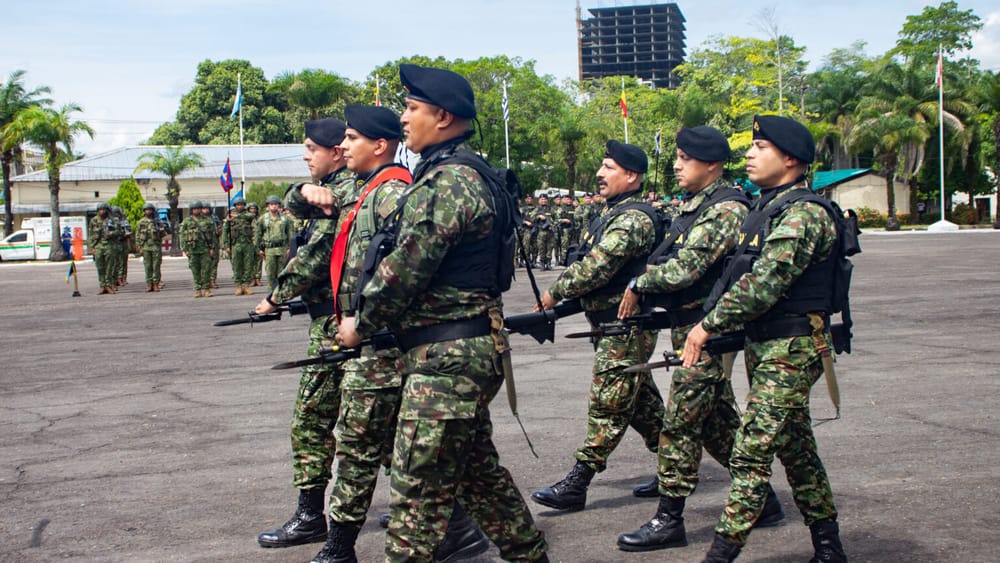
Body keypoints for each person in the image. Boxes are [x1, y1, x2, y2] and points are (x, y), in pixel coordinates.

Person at [335, 63, 549, 563]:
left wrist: (358, 324)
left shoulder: (449, 181)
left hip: (447, 360)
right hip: (456, 352)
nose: (404, 119)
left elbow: (405, 269)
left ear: (444, 117)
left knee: (417, 494)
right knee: (480, 479)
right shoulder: (461, 173)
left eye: (412, 109)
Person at [682, 115, 846, 563]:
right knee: (796, 448)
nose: (749, 155)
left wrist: (706, 326)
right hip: (768, 346)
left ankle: (721, 553)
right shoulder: (770, 208)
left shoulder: (804, 214)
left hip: (792, 348)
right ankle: (829, 548)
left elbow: (763, 285)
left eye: (761, 147)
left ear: (790, 158)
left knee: (750, 453)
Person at [614, 126, 785, 553]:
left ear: (711, 164)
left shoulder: (724, 209)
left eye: (685, 158)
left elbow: (686, 268)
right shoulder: (697, 206)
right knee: (717, 421)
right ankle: (762, 501)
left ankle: (669, 519)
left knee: (680, 423)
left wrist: (639, 282)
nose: (676, 165)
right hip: (691, 327)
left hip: (709, 330)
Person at [530, 140, 664, 513]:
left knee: (608, 402)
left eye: (608, 167)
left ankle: (578, 481)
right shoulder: (610, 214)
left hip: (628, 326)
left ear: (631, 175)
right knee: (642, 408)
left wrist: (554, 294)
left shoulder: (634, 218)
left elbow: (598, 267)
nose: (600, 175)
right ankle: (676, 467)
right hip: (608, 324)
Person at [254, 117, 352, 550]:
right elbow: (297, 204)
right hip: (332, 317)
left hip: (339, 323)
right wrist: (300, 192)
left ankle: (312, 515)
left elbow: (317, 254)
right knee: (374, 423)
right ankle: (443, 508)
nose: (307, 155)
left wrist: (273, 299)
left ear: (336, 151)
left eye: (313, 148)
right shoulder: (331, 191)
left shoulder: (347, 190)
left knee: (313, 420)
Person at [255, 194, 295, 291]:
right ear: (268, 206)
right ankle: (271, 293)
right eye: (271, 204)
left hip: (282, 249)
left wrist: (290, 248)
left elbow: (290, 234)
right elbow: (258, 234)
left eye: (276, 204)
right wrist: (258, 249)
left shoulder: (285, 218)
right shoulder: (263, 219)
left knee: (282, 273)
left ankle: (280, 293)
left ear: (279, 205)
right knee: (270, 273)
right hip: (269, 249)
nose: (274, 206)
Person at [180, 201, 217, 297]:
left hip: (205, 249)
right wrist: (185, 249)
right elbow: (182, 236)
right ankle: (198, 289)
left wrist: (212, 248)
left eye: (198, 208)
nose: (196, 210)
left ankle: (207, 289)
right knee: (195, 270)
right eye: (194, 209)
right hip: (192, 249)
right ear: (191, 210)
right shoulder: (187, 222)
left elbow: (213, 235)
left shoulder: (208, 221)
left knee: (206, 269)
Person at [222, 197, 258, 295]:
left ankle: (246, 285)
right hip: (235, 244)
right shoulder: (230, 217)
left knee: (248, 265)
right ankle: (238, 285)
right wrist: (226, 245)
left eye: (241, 204)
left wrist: (237, 217)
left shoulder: (248, 215)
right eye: (238, 205)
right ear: (235, 206)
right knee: (236, 265)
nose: (240, 206)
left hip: (247, 244)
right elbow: (225, 232)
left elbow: (251, 217)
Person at [135, 202, 167, 292]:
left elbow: (164, 233)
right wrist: (139, 247)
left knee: (156, 266)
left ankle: (156, 283)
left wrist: (161, 230)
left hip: (156, 246)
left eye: (150, 210)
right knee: (148, 266)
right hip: (145, 246)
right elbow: (137, 235)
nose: (148, 211)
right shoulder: (141, 222)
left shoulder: (157, 221)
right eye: (146, 210)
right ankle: (149, 284)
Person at [88, 202, 118, 294]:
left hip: (109, 246)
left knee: (109, 267)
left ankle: (108, 285)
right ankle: (102, 285)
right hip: (98, 246)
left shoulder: (112, 220)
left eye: (104, 209)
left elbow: (119, 231)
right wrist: (91, 248)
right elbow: (90, 234)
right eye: (100, 210)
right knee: (100, 267)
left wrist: (111, 233)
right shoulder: (94, 221)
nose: (102, 211)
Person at [247, 201, 263, 286]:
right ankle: (252, 279)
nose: (253, 210)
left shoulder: (260, 219)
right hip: (250, 242)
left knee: (259, 261)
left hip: (259, 242)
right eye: (251, 208)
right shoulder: (246, 219)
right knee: (250, 261)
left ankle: (258, 278)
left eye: (254, 208)